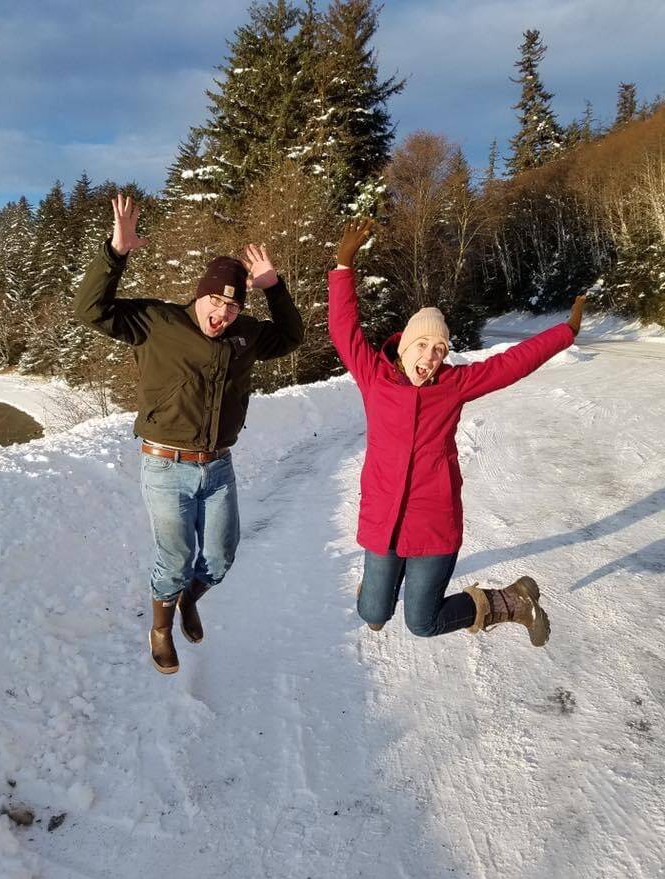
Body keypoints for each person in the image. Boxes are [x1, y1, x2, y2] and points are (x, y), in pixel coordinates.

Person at [74, 194, 304, 674]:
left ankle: (187, 601)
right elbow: (90, 309)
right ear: (198, 295)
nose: (222, 314)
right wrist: (116, 254)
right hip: (164, 464)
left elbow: (291, 337)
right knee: (174, 558)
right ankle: (160, 627)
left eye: (233, 305)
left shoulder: (246, 335)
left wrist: (273, 288)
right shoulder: (158, 322)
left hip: (218, 465)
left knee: (220, 558)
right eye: (215, 301)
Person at [328, 219, 586, 646]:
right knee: (371, 613)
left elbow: (511, 364)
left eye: (440, 349)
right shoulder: (375, 377)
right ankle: (378, 599)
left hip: (433, 522)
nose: (429, 358)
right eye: (423, 346)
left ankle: (512, 600)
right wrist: (343, 264)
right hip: (383, 520)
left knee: (421, 623)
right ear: (406, 346)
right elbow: (344, 330)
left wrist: (565, 332)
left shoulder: (453, 386)